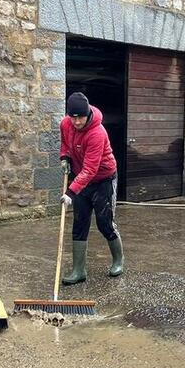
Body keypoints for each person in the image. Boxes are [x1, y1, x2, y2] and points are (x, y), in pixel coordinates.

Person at [59, 91, 124, 284]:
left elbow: (91, 168)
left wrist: (70, 191)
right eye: (74, 117)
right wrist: (65, 157)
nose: (77, 122)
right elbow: (65, 143)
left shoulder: (97, 133)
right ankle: (79, 271)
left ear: (88, 114)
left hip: (103, 179)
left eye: (81, 117)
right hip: (81, 179)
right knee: (79, 223)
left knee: (105, 223)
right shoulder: (65, 124)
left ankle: (119, 260)